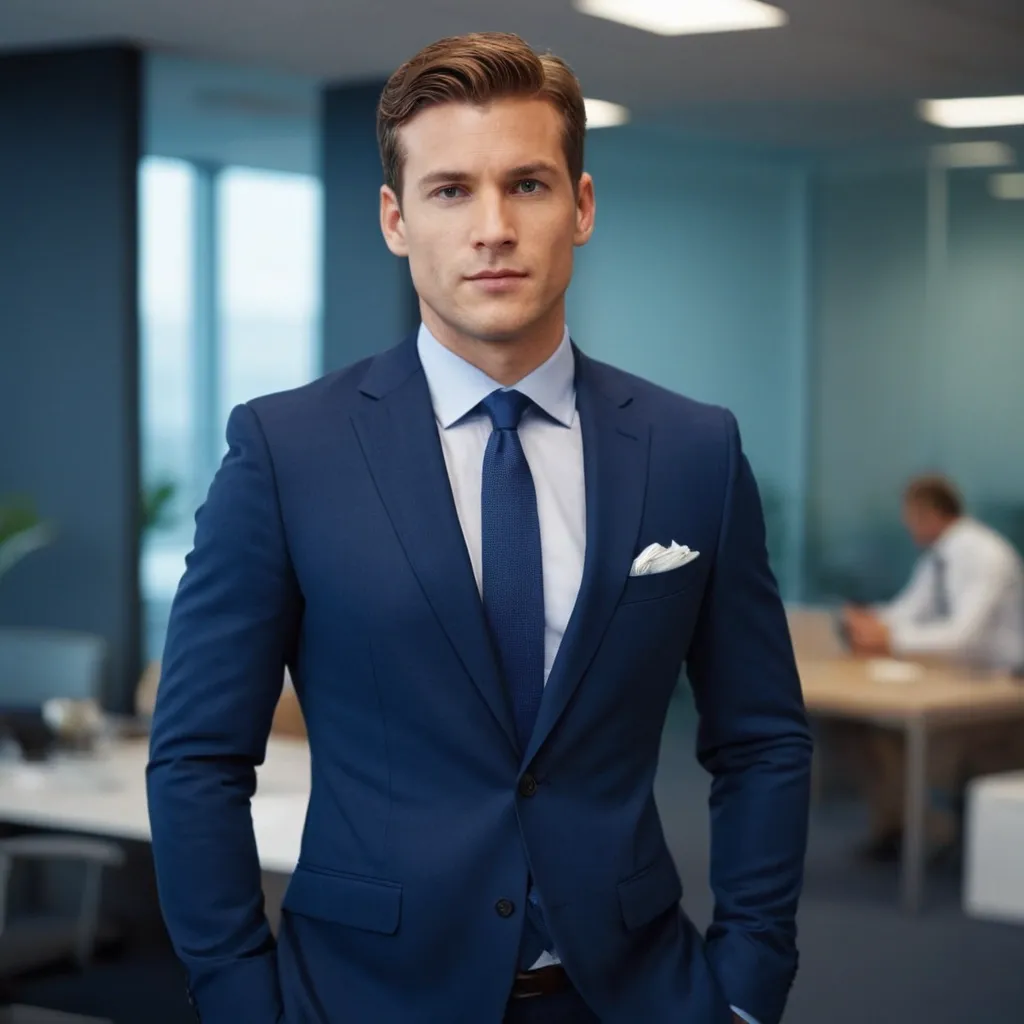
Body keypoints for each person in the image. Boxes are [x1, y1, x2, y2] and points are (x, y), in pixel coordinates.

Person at [146, 32, 811, 1024]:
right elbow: (198, 754)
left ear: (580, 207)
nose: (492, 227)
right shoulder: (287, 451)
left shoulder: (692, 449)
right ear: (395, 219)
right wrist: (242, 997)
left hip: (635, 994)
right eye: (450, 190)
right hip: (360, 997)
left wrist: (748, 983)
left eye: (528, 185)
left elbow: (760, 739)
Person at [842, 475, 1024, 858]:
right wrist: (871, 621)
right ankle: (904, 826)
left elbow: (963, 637)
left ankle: (927, 828)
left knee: (895, 736)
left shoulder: (986, 555)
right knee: (860, 728)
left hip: (1001, 688)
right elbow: (909, 609)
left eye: (910, 516)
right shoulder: (939, 558)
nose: (907, 525)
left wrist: (888, 639)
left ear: (930, 513)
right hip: (957, 678)